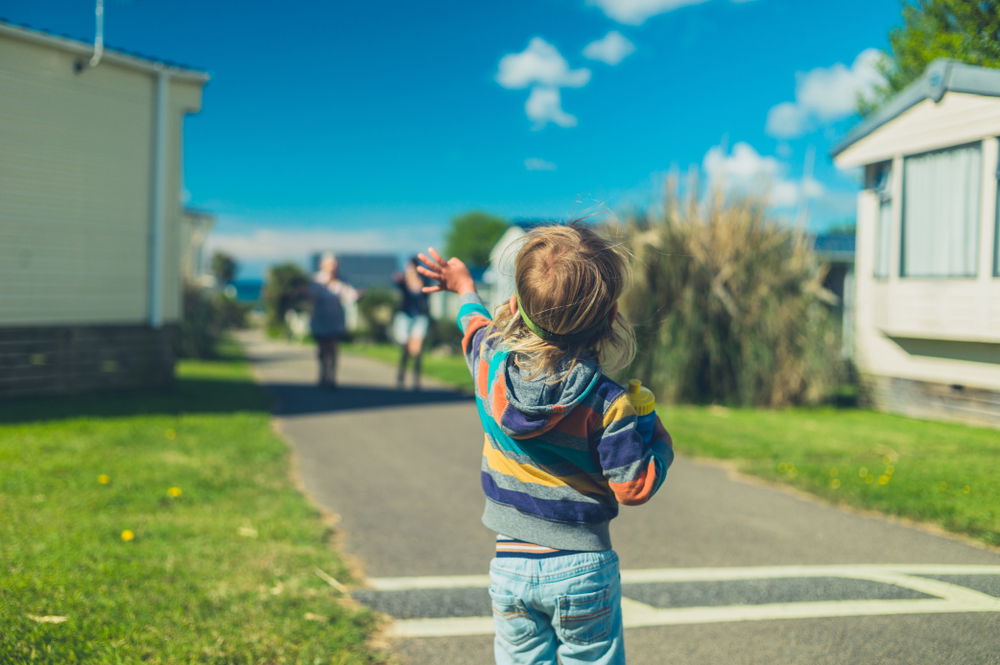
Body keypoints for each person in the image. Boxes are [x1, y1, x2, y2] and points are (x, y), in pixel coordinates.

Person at [416, 223, 673, 665]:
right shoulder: (608, 403)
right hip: (583, 569)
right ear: (611, 319)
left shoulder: (491, 368)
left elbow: (473, 325)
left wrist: (463, 287)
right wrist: (657, 434)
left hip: (510, 565)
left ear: (515, 307)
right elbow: (635, 488)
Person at [307, 253, 359, 390]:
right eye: (330, 265)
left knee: (334, 349)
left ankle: (332, 377)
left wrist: (358, 295)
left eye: (335, 265)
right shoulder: (316, 280)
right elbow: (311, 296)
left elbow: (350, 295)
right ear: (323, 266)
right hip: (320, 319)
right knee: (322, 349)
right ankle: (323, 373)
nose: (333, 268)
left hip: (335, 320)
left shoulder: (342, 280)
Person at [392, 257, 431, 390]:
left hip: (420, 317)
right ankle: (401, 376)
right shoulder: (403, 281)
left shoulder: (424, 281)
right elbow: (398, 286)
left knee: (417, 350)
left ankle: (416, 379)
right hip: (405, 317)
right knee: (405, 348)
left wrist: (419, 283)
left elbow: (427, 295)